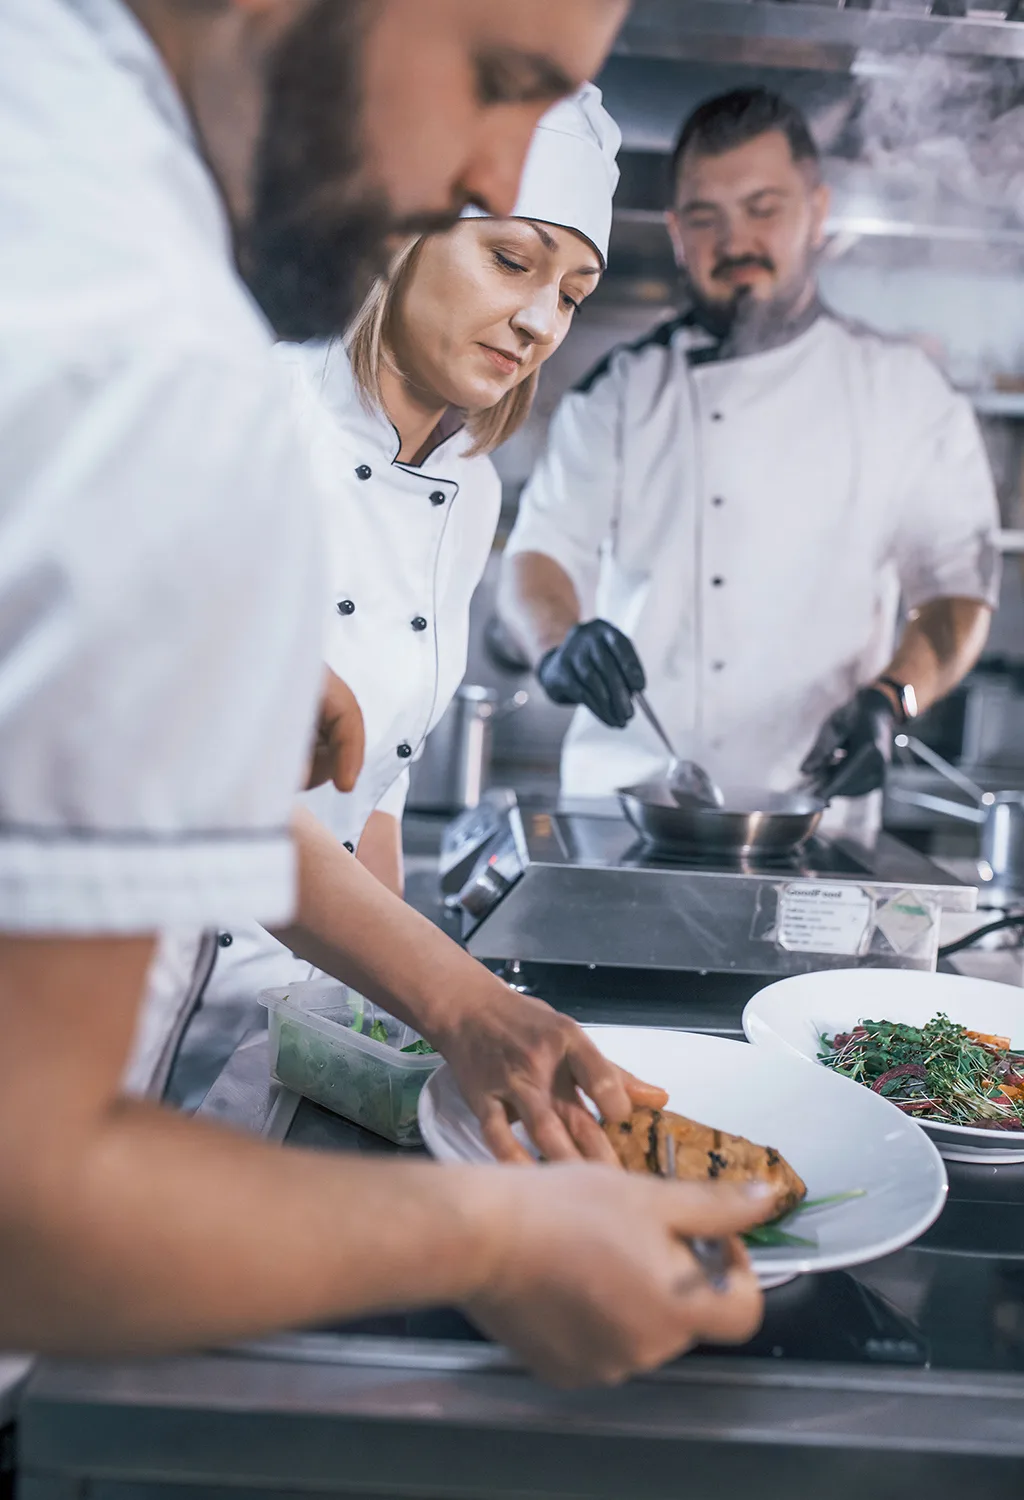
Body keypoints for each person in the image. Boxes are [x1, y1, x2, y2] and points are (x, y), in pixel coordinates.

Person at [0, 0, 770, 1382]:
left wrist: (444, 1016)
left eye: (572, 288)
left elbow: (351, 812)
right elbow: (26, 1202)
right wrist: (496, 1232)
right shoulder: (161, 351)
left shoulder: (73, 167)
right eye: (494, 79)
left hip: (196, 1119)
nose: (479, 172)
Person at [203, 86, 617, 1029]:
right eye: (513, 260)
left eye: (571, 295)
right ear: (404, 231)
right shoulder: (242, 415)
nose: (541, 321)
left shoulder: (472, 491)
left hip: (286, 1023)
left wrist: (374, 1026)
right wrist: (454, 1006)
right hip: (120, 1007)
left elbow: (370, 805)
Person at [499, 87, 1000, 841]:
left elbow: (957, 590)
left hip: (812, 819)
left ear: (817, 212)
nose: (735, 241)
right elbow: (540, 555)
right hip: (623, 806)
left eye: (764, 207)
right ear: (675, 232)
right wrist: (559, 643)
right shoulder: (620, 391)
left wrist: (893, 700)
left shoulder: (904, 395)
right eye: (706, 217)